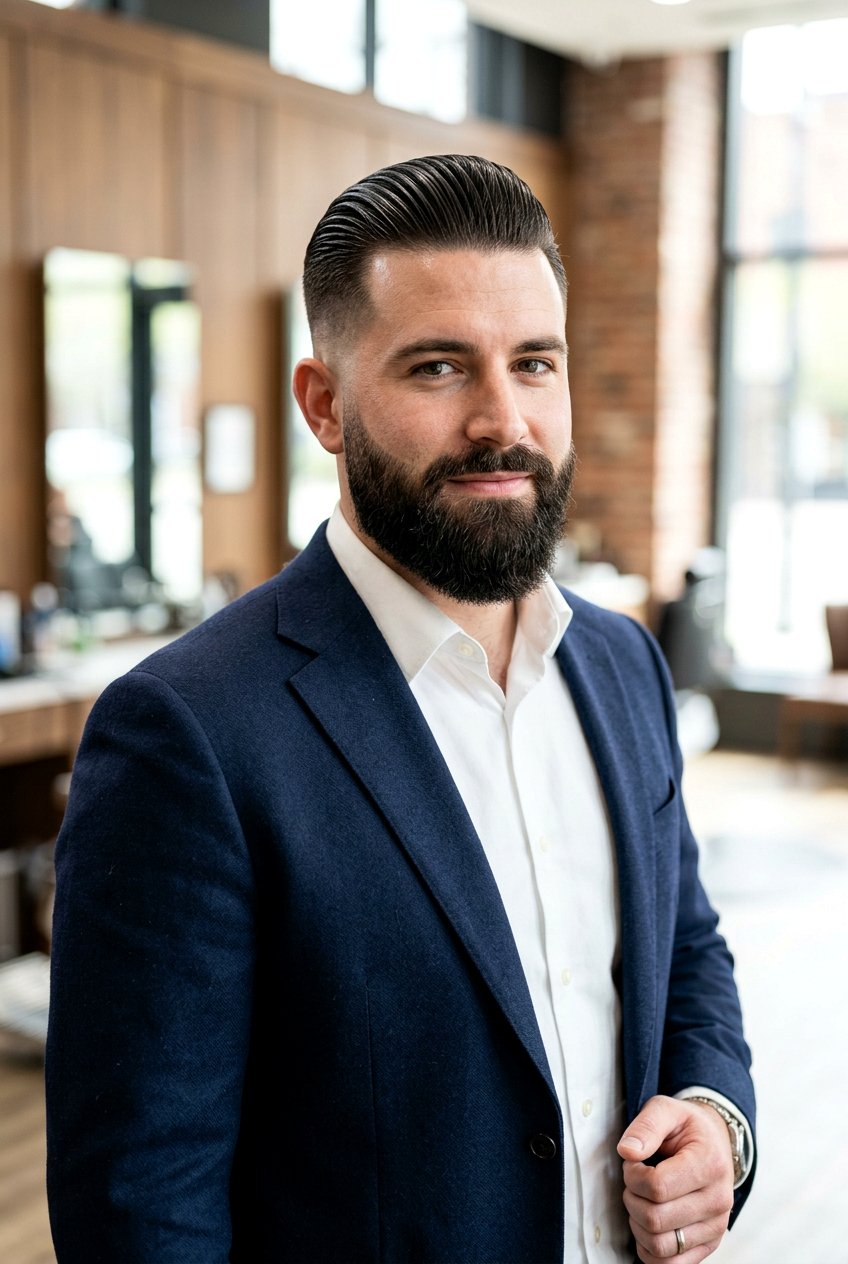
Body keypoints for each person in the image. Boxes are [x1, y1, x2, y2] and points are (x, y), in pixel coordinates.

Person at [46, 154, 755, 1264]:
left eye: (534, 362)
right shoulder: (187, 733)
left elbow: (686, 950)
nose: (502, 420)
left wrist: (716, 1117)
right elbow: (142, 1204)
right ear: (325, 405)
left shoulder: (621, 662)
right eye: (438, 367)